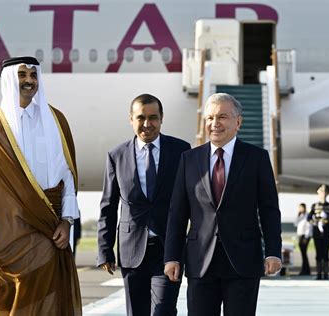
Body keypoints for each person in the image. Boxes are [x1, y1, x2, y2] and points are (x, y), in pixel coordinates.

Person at [0, 56, 82, 315]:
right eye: (22, 75)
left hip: (47, 230)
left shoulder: (56, 120)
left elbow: (68, 176)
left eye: (33, 76)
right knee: (9, 302)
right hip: (3, 234)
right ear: (8, 80)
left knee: (47, 296)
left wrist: (67, 220)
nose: (29, 81)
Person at [164, 93, 282, 316]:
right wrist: (172, 256)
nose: (214, 124)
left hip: (243, 261)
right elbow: (178, 213)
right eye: (209, 118)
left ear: (238, 122)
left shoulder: (257, 158)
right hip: (200, 261)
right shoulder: (189, 159)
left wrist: (273, 251)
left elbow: (269, 210)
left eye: (222, 117)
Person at [97, 94, 191, 316]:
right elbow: (108, 206)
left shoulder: (181, 151)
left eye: (153, 118)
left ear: (161, 119)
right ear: (131, 119)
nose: (147, 124)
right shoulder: (116, 156)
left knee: (163, 310)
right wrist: (104, 250)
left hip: (168, 248)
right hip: (131, 250)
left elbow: (192, 200)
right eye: (141, 118)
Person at [307, 184, 329, 280]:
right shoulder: (314, 206)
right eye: (321, 191)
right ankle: (318, 274)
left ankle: (325, 274)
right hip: (317, 233)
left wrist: (327, 218)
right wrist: (316, 221)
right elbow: (309, 218)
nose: (323, 193)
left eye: (325, 191)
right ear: (318, 192)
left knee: (326, 254)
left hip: (327, 233)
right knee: (318, 254)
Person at [294, 203, 312, 276]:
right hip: (300, 235)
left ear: (304, 208)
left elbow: (309, 226)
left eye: (301, 208)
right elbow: (295, 224)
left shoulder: (307, 215)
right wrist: (298, 216)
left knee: (304, 253)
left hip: (305, 236)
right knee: (303, 253)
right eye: (299, 208)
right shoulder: (300, 216)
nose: (300, 209)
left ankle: (306, 270)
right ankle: (305, 269)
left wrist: (306, 237)